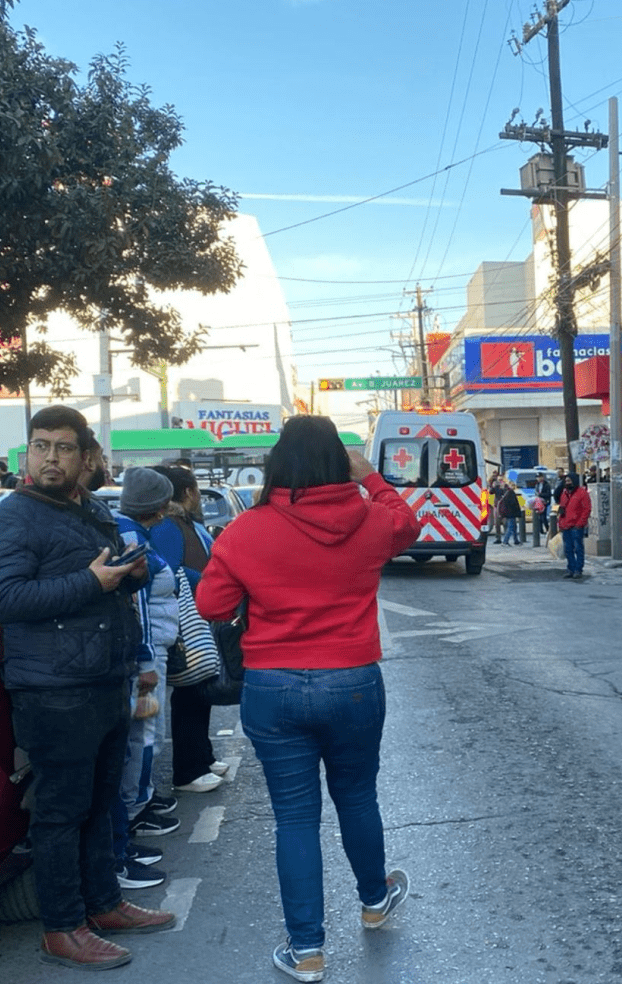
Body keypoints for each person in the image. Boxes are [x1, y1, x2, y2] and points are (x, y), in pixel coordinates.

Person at [196, 416, 421, 983]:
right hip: (352, 681)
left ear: (279, 463)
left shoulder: (246, 531)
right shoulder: (371, 521)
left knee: (295, 818)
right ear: (337, 464)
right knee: (356, 797)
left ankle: (308, 952)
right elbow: (407, 522)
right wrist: (371, 476)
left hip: (273, 688)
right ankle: (374, 901)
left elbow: (211, 607)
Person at [0, 405, 174, 971]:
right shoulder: (13, 518)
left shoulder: (85, 507)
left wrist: (126, 571)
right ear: (27, 453)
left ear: (86, 457)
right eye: (41, 446)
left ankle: (104, 904)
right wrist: (90, 581)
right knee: (61, 813)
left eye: (63, 448)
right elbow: (3, 600)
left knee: (98, 803)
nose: (51, 458)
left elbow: (102, 572)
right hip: (53, 689)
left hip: (103, 679)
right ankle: (62, 927)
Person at [111, 466, 180, 888]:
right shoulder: (130, 537)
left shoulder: (132, 531)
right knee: (143, 738)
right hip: (144, 660)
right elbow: (136, 607)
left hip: (147, 655)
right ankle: (131, 818)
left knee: (143, 739)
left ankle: (135, 813)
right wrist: (145, 661)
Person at [149, 464, 227, 793]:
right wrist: (210, 581)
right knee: (190, 691)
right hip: (185, 620)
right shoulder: (168, 526)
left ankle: (203, 756)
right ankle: (188, 770)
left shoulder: (184, 523)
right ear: (186, 493)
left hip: (199, 614)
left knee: (201, 686)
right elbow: (171, 572)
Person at [557, 472, 592, 579]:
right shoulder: (564, 493)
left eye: (569, 481)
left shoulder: (582, 493)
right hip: (566, 525)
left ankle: (578, 569)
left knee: (578, 548)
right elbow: (562, 507)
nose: (567, 483)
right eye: (566, 481)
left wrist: (580, 523)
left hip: (576, 525)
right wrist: (561, 522)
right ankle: (571, 568)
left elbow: (587, 509)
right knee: (568, 549)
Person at [498, 480, 521, 545]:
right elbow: (512, 503)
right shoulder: (510, 492)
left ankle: (516, 540)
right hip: (511, 513)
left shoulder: (507, 492)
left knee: (514, 527)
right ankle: (505, 541)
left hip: (508, 513)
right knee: (510, 528)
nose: (514, 487)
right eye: (513, 485)